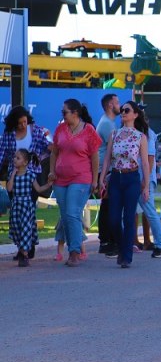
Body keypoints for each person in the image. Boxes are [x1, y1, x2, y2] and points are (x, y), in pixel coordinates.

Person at [49, 99, 101, 268]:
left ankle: (74, 252)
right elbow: (54, 152)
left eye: (65, 112)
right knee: (65, 216)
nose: (62, 115)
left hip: (81, 178)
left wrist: (95, 180)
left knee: (72, 213)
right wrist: (51, 171)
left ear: (75, 113)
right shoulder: (60, 129)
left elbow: (95, 156)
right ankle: (74, 249)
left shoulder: (89, 130)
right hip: (60, 179)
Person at [99, 101, 150, 269]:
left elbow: (145, 163)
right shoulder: (114, 134)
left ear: (135, 114)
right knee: (113, 219)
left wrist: (146, 186)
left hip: (132, 178)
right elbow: (107, 158)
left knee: (129, 218)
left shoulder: (140, 137)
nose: (123, 112)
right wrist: (102, 178)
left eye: (127, 110)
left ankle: (126, 256)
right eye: (122, 110)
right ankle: (123, 247)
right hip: (115, 178)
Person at [1, 106, 51, 261]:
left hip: (32, 175)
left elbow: (47, 147)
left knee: (28, 213)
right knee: (16, 215)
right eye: (19, 123)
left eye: (25, 121)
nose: (23, 125)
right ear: (13, 123)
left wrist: (41, 156)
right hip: (14, 177)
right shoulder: (9, 134)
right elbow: (2, 153)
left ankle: (26, 248)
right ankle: (22, 246)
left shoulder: (35, 131)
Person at [7, 150, 52, 267]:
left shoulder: (30, 174)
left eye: (18, 158)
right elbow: (9, 189)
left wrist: (48, 185)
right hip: (16, 205)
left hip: (27, 205)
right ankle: (22, 250)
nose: (14, 159)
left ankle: (24, 255)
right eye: (14, 157)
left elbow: (38, 189)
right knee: (17, 228)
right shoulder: (12, 174)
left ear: (25, 162)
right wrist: (13, 174)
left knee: (26, 228)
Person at [137, 109, 161, 258]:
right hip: (129, 178)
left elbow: (150, 160)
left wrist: (146, 182)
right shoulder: (125, 133)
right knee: (127, 213)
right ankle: (128, 243)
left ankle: (159, 244)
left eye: (127, 111)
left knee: (149, 211)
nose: (123, 114)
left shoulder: (148, 134)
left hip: (144, 179)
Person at [95, 93, 120, 256]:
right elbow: (115, 150)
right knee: (108, 206)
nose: (120, 106)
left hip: (106, 170)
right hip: (106, 171)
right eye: (117, 102)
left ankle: (107, 241)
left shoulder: (108, 123)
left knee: (108, 206)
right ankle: (107, 241)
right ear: (110, 105)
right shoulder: (107, 125)